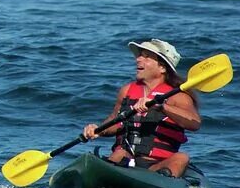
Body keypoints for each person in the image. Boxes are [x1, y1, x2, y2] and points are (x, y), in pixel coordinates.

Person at [82, 39, 201, 176]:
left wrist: (161, 107)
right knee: (119, 153)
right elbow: (115, 120)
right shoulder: (126, 90)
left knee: (182, 158)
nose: (138, 59)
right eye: (139, 55)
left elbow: (194, 123)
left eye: (146, 57)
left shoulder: (178, 97)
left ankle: (163, 183)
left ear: (162, 68)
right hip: (125, 158)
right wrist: (97, 130)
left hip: (157, 164)